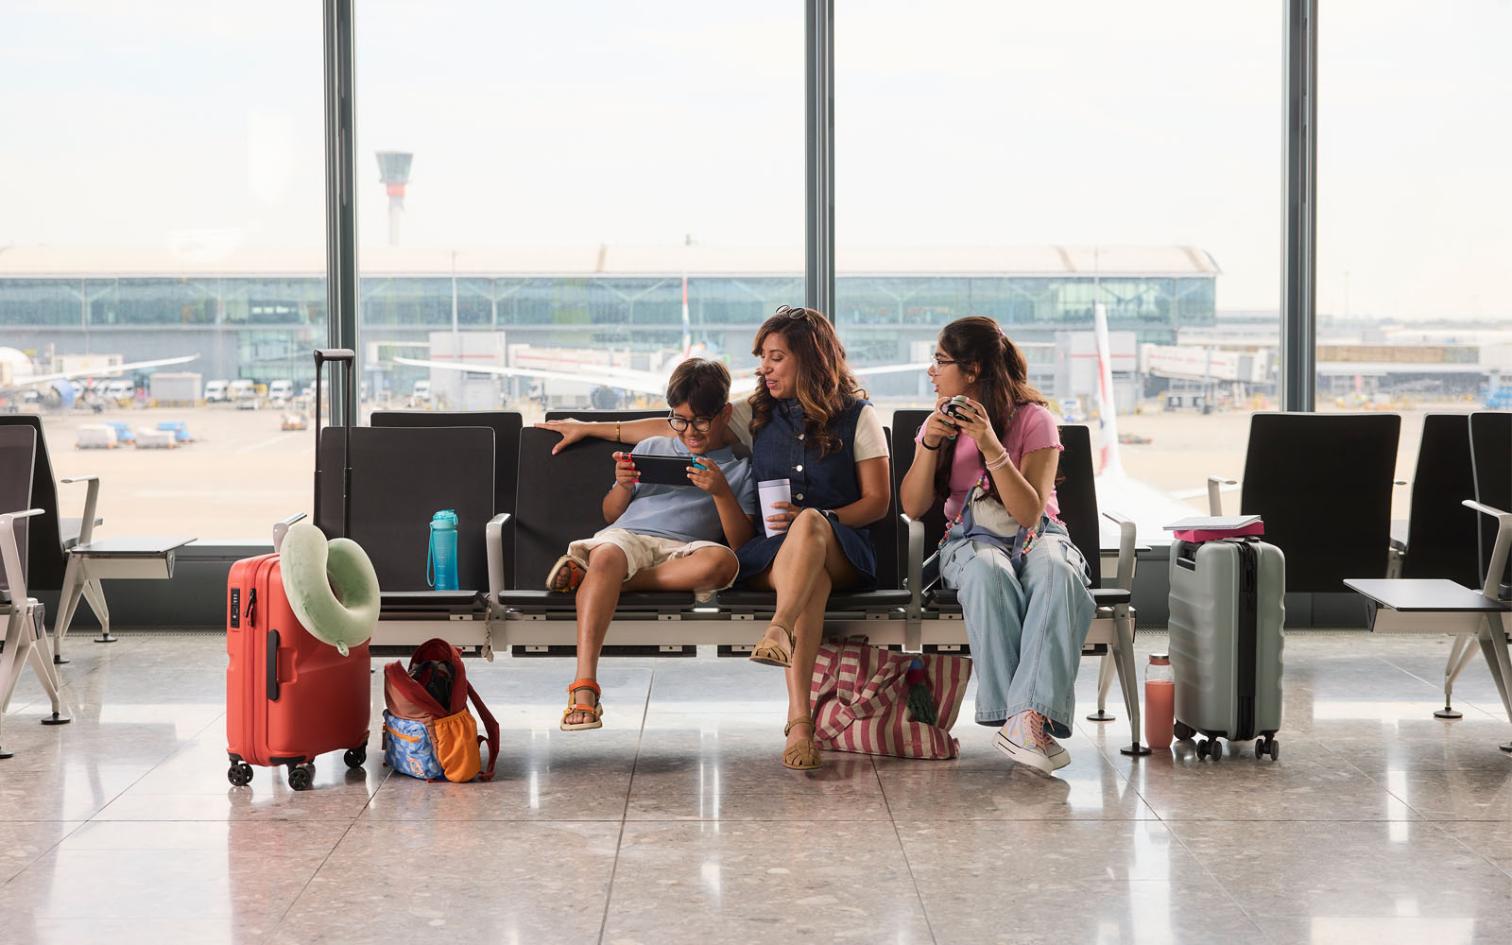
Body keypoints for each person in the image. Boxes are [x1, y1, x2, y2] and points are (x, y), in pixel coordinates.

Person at [537, 306, 892, 769]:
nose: (764, 369)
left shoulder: (859, 417)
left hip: (842, 547)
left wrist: (822, 516)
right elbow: (674, 426)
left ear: (810, 359)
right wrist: (593, 428)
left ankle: (779, 631)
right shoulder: (758, 411)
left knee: (808, 526)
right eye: (762, 358)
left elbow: (877, 503)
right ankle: (800, 724)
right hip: (777, 555)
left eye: (776, 358)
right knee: (811, 582)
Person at [898, 315, 1094, 776]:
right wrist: (929, 445)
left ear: (973, 369)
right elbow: (912, 506)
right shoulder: (939, 422)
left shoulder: (1036, 420)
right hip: (969, 539)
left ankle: (1023, 718)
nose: (931, 370)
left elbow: (1030, 513)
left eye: (940, 360)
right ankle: (1025, 719)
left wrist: (990, 444)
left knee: (1059, 572)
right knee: (990, 572)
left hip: (1038, 534)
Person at [546, 358, 757, 732]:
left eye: (701, 422)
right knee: (607, 554)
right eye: (680, 420)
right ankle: (584, 686)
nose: (689, 432)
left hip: (685, 551)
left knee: (722, 564)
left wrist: (722, 493)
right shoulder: (652, 446)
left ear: (725, 414)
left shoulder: (740, 468)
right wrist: (623, 485)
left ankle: (599, 580)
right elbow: (611, 515)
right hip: (629, 537)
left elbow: (742, 543)